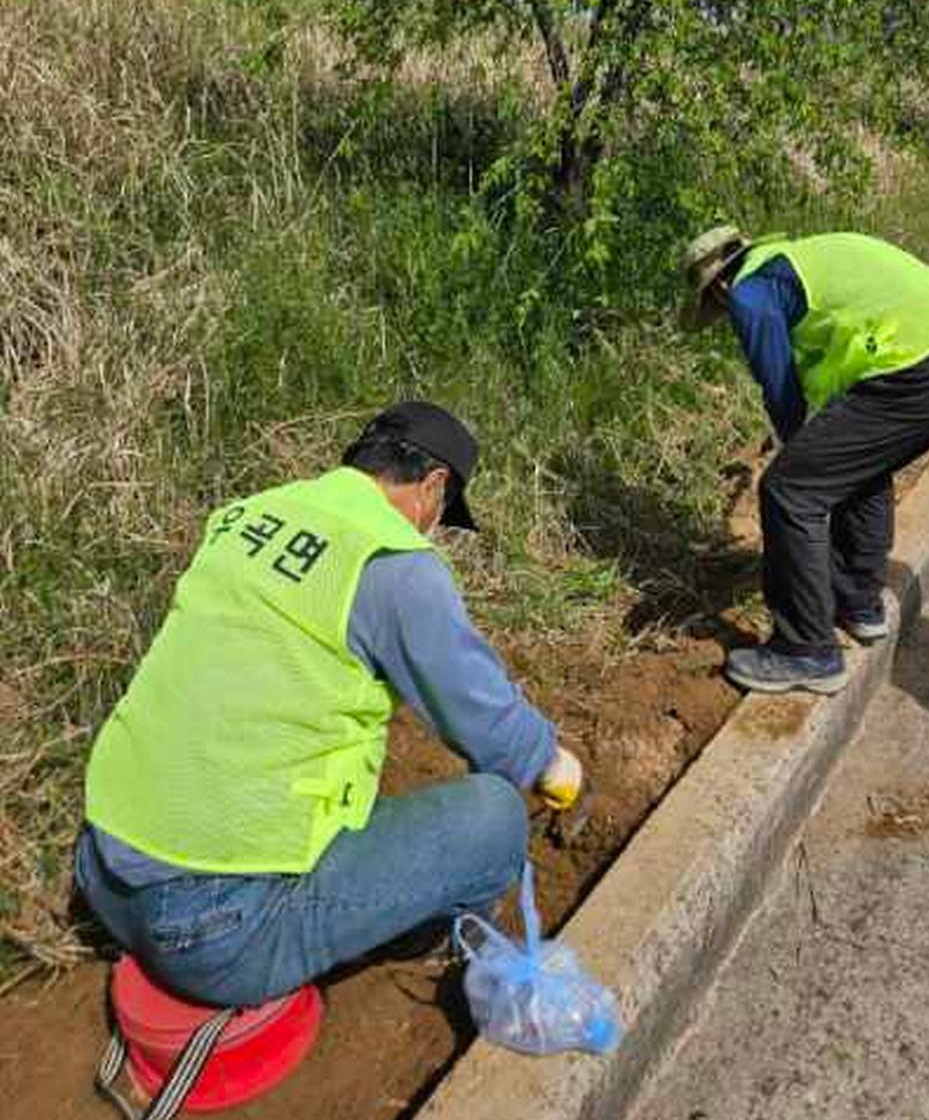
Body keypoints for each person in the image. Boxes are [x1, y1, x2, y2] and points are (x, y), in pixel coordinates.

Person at [75, 401, 583, 1009]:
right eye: (443, 513)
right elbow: (486, 721)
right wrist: (553, 766)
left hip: (103, 873)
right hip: (215, 936)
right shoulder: (392, 566)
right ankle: (442, 942)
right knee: (494, 815)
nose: (433, 527)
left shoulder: (249, 514)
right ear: (434, 485)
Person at [682, 227, 929, 697]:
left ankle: (806, 650)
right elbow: (834, 388)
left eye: (717, 308)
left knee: (790, 491)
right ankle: (858, 603)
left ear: (719, 286)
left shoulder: (751, 292)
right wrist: (817, 446)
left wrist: (797, 448)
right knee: (862, 467)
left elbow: (779, 388)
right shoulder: (806, 264)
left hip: (924, 368)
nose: (726, 318)